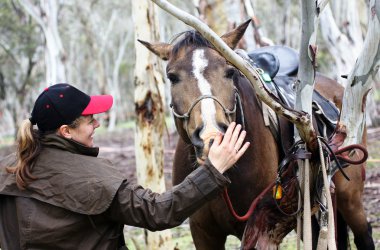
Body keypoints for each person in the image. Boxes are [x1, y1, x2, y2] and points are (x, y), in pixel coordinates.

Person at [0, 83, 250, 249]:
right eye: (90, 120)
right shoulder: (96, 179)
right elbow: (159, 211)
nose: (97, 124)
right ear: (66, 131)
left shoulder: (7, 167)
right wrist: (212, 171)